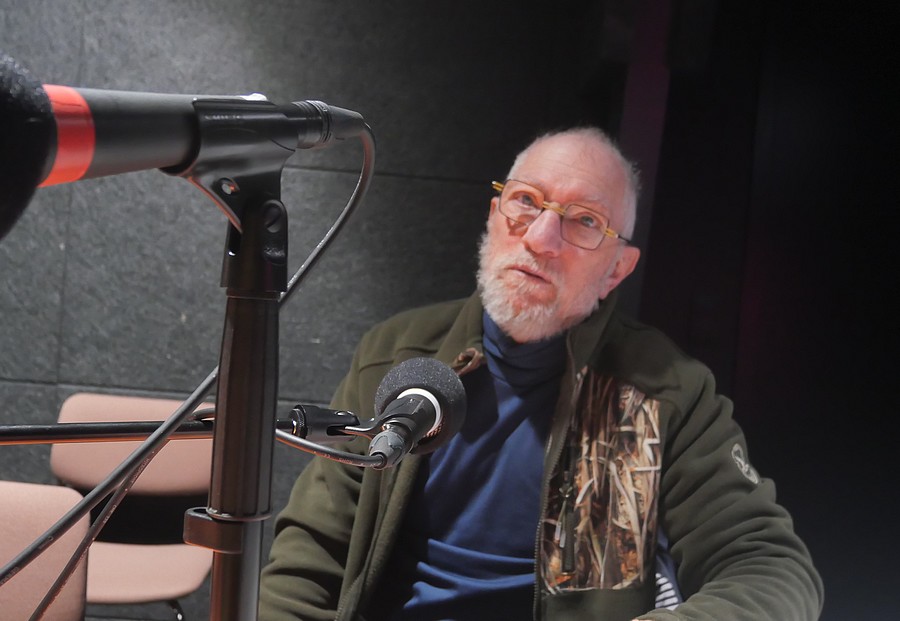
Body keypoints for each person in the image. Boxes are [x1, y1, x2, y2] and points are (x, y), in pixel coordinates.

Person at [258, 127, 823, 621]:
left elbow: (769, 567)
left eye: (584, 221)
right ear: (494, 216)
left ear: (617, 269)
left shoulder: (666, 391)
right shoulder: (397, 353)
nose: (540, 238)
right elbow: (314, 551)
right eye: (525, 201)